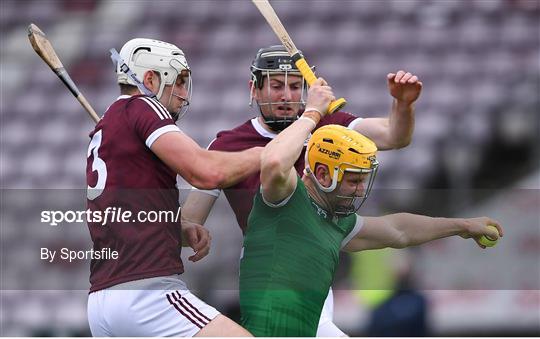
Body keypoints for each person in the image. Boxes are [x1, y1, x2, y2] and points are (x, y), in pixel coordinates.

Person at [181, 44, 422, 336]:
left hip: (319, 267)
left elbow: (394, 136)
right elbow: (191, 219)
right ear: (253, 90)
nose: (287, 95)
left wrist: (403, 105)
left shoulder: (329, 128)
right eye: (276, 86)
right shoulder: (226, 145)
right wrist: (188, 231)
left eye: (296, 86)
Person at [239, 80, 504, 336]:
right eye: (353, 179)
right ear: (322, 174)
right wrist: (312, 112)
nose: (360, 190)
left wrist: (463, 226)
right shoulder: (285, 196)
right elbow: (273, 162)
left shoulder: (335, 219)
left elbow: (398, 230)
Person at [85, 38, 260, 337]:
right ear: (150, 79)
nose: (182, 93)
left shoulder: (108, 125)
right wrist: (265, 154)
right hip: (146, 295)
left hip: (102, 301)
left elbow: (129, 215)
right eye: (178, 81)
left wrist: (176, 228)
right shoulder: (142, 107)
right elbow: (205, 172)